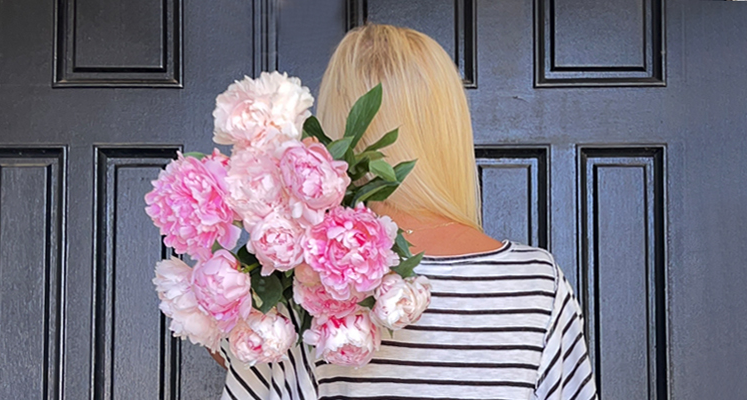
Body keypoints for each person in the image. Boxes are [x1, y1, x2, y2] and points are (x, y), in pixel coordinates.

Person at [219, 23, 598, 400]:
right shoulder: (535, 284)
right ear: (448, 128)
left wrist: (244, 335)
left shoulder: (301, 290)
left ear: (339, 126)